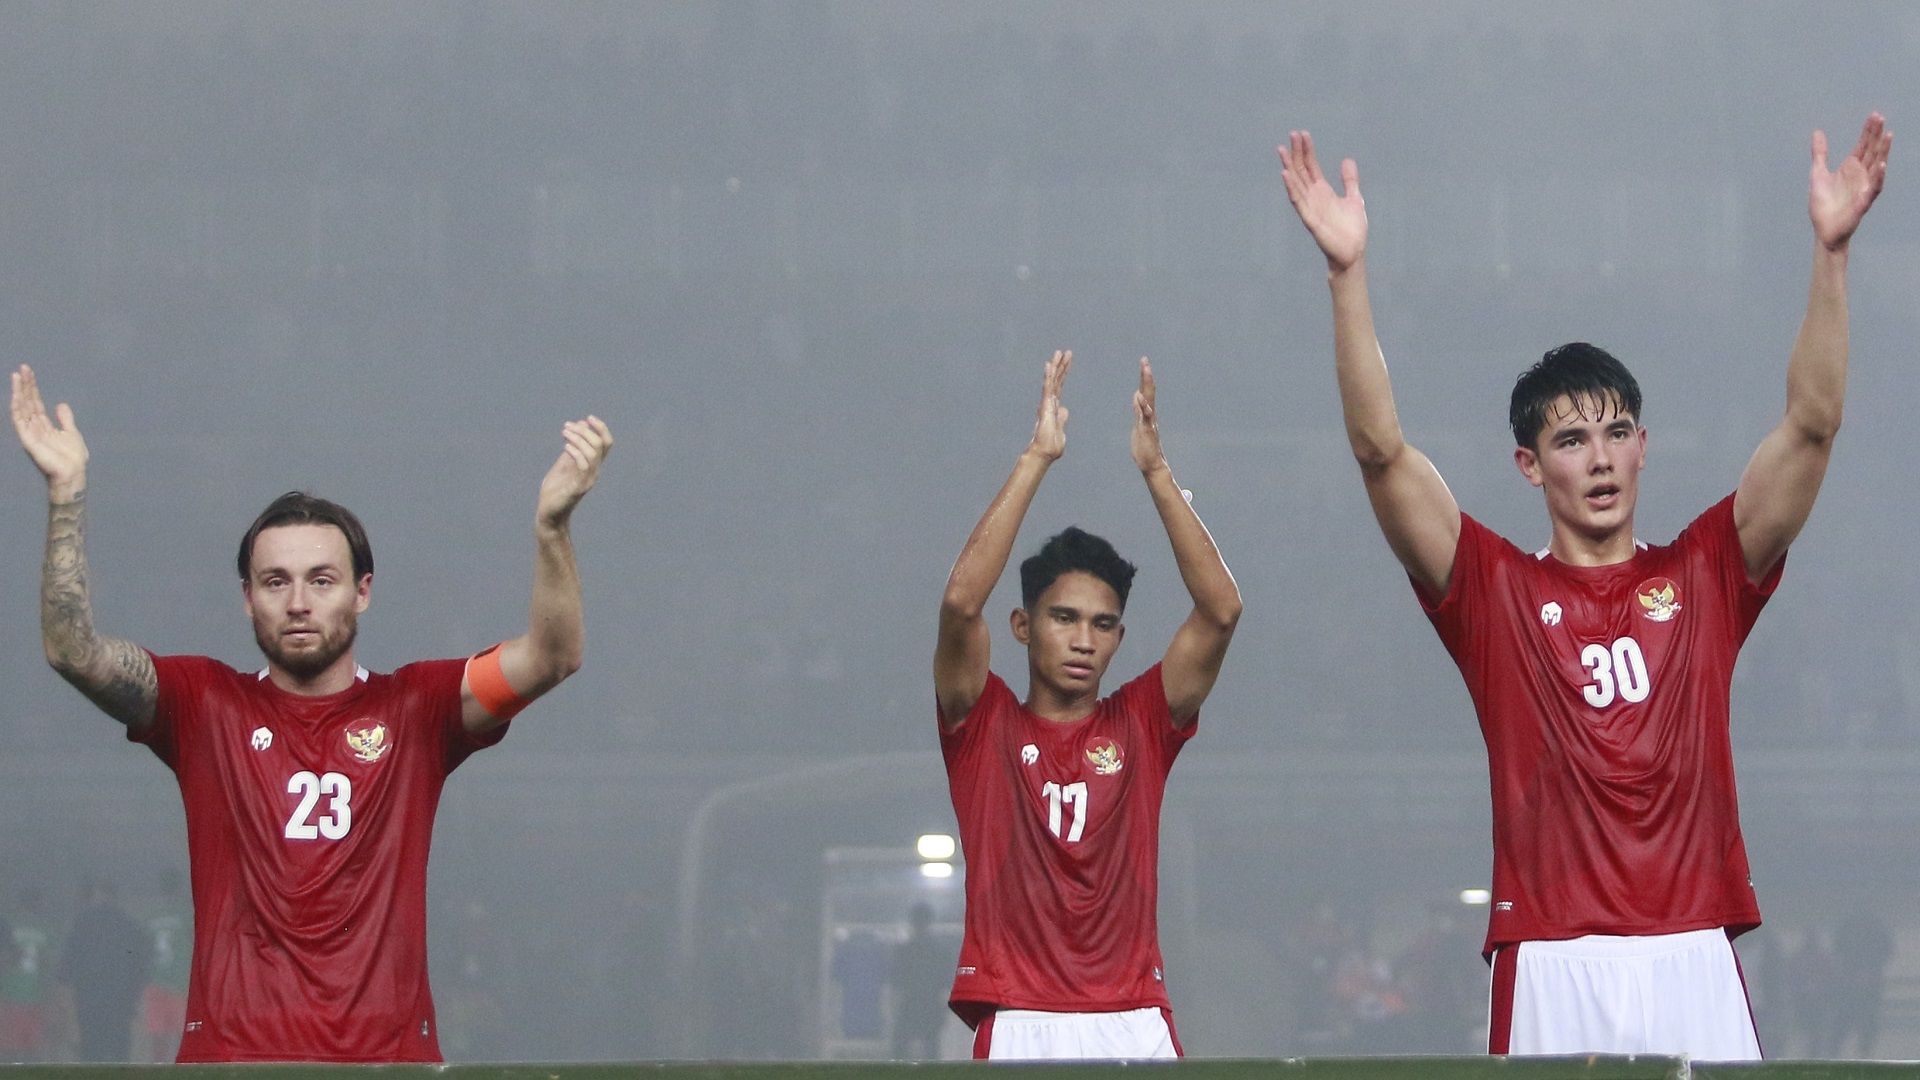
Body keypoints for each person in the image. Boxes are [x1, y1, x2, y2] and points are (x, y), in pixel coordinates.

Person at [1277, 114, 1891, 1060]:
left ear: (1644, 447)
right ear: (1530, 465)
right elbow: (1379, 452)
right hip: (1552, 958)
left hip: (1693, 948)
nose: (1598, 460)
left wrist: (1833, 254)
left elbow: (1811, 429)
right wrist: (1346, 277)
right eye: (1571, 440)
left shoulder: (1706, 574)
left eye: (1615, 433)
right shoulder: (1494, 592)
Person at [10, 364, 612, 1063]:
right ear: (247, 598)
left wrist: (552, 527)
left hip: (387, 1067)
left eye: (320, 580)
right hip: (232, 1067)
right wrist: (65, 498)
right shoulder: (203, 703)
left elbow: (554, 656)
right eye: (276, 581)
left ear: (362, 592)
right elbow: (74, 653)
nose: (298, 601)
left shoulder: (417, 708)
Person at [934, 351, 1241, 1060]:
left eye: (1102, 625)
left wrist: (1158, 474)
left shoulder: (1141, 722)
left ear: (1119, 638)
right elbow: (959, 603)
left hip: (1133, 1016)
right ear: (1022, 627)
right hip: (1018, 1016)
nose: (1083, 640)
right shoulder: (982, 724)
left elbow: (1221, 610)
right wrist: (1038, 457)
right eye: (1063, 618)